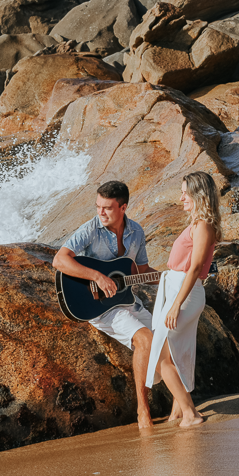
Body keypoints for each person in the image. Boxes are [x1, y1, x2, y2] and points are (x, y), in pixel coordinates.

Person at [52, 181, 159, 429]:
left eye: (107, 208)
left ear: (123, 207)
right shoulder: (90, 229)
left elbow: (142, 271)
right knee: (146, 340)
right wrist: (97, 276)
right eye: (98, 206)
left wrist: (177, 277)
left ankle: (180, 405)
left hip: (126, 301)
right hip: (99, 306)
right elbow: (59, 260)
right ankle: (143, 411)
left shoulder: (137, 232)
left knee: (166, 340)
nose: (100, 213)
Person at [145, 171, 222, 428]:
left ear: (198, 194)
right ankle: (177, 412)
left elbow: (196, 266)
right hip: (181, 290)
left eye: (185, 193)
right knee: (176, 355)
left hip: (185, 294)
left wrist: (176, 304)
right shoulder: (198, 224)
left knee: (162, 358)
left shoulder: (203, 225)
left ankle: (190, 413)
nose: (181, 198)